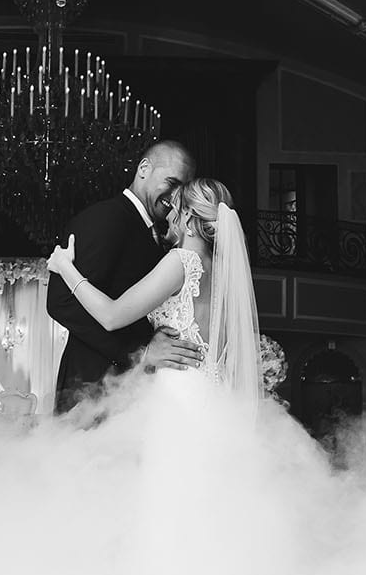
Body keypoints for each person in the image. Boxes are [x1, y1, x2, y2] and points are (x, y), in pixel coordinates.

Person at [46, 178, 262, 404]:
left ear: (187, 216)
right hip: (216, 394)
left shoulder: (180, 262)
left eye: (173, 209)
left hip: (179, 393)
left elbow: (111, 316)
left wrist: (64, 266)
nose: (167, 216)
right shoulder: (223, 269)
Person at [45, 140, 205, 413]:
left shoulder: (162, 237)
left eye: (182, 189)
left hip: (135, 394)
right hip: (91, 388)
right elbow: (60, 302)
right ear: (144, 169)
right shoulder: (107, 217)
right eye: (171, 182)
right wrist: (140, 352)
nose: (175, 196)